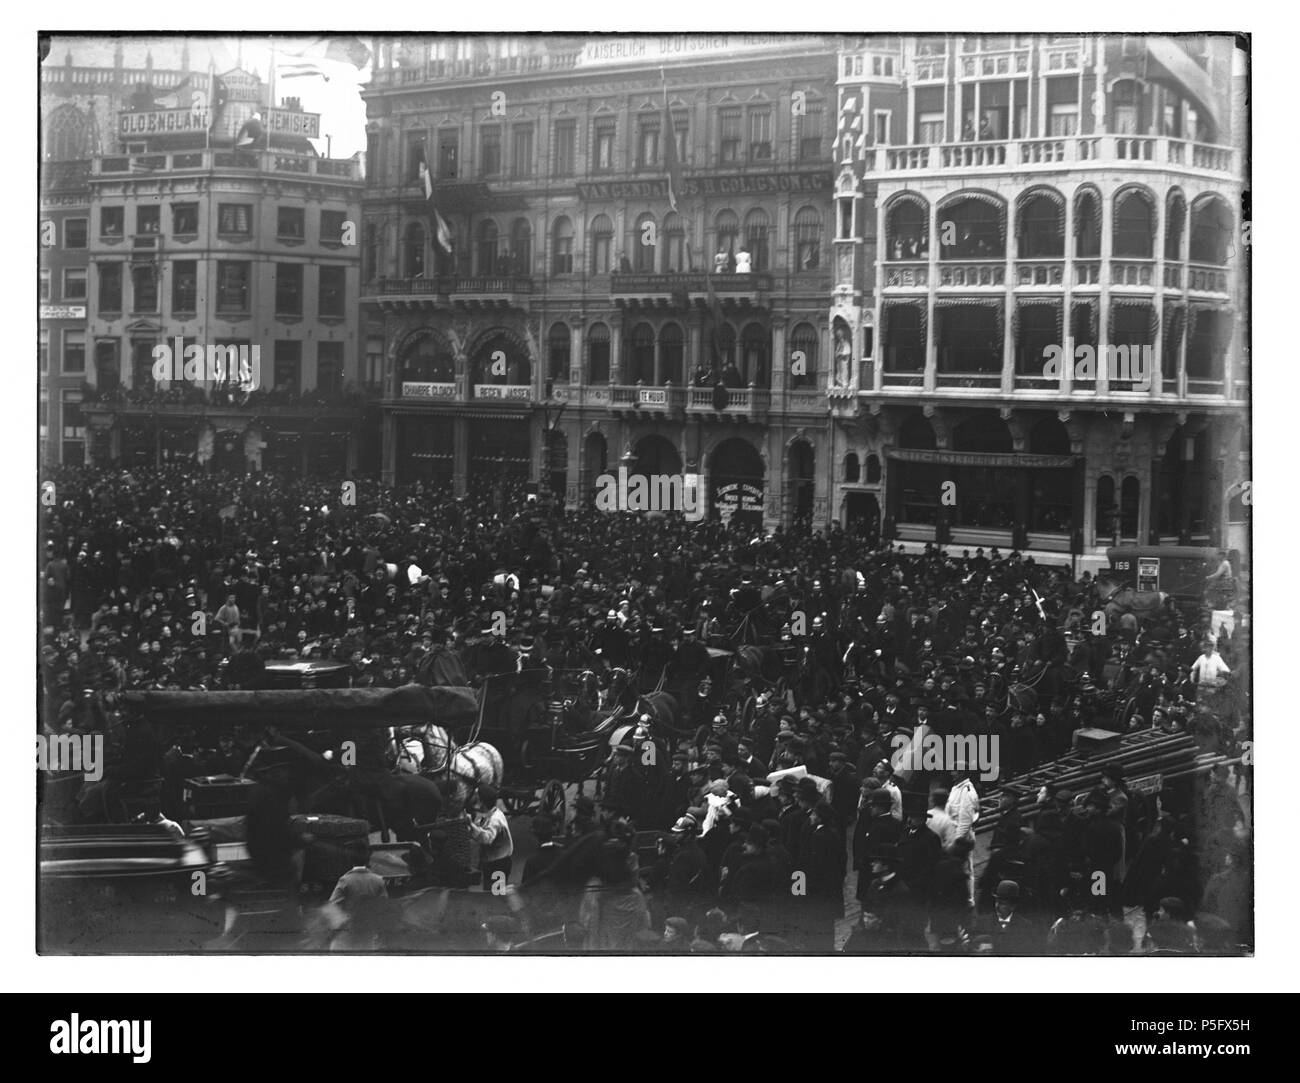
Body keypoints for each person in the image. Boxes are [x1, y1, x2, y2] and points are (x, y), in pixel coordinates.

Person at [466, 784, 514, 891]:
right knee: (492, 893)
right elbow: (479, 829)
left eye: (477, 799)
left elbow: (487, 838)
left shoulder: (495, 820)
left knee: (495, 896)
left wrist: (470, 824)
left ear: (482, 802)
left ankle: (514, 906)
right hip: (494, 862)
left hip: (498, 864)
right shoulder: (491, 814)